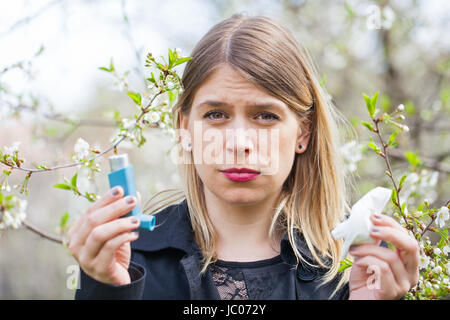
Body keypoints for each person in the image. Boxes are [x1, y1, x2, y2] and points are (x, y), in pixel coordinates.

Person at [70, 13, 419, 300]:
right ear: (185, 128)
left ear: (303, 133)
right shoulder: (130, 261)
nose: (239, 143)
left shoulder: (357, 266)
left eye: (265, 116)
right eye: (216, 115)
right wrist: (107, 289)